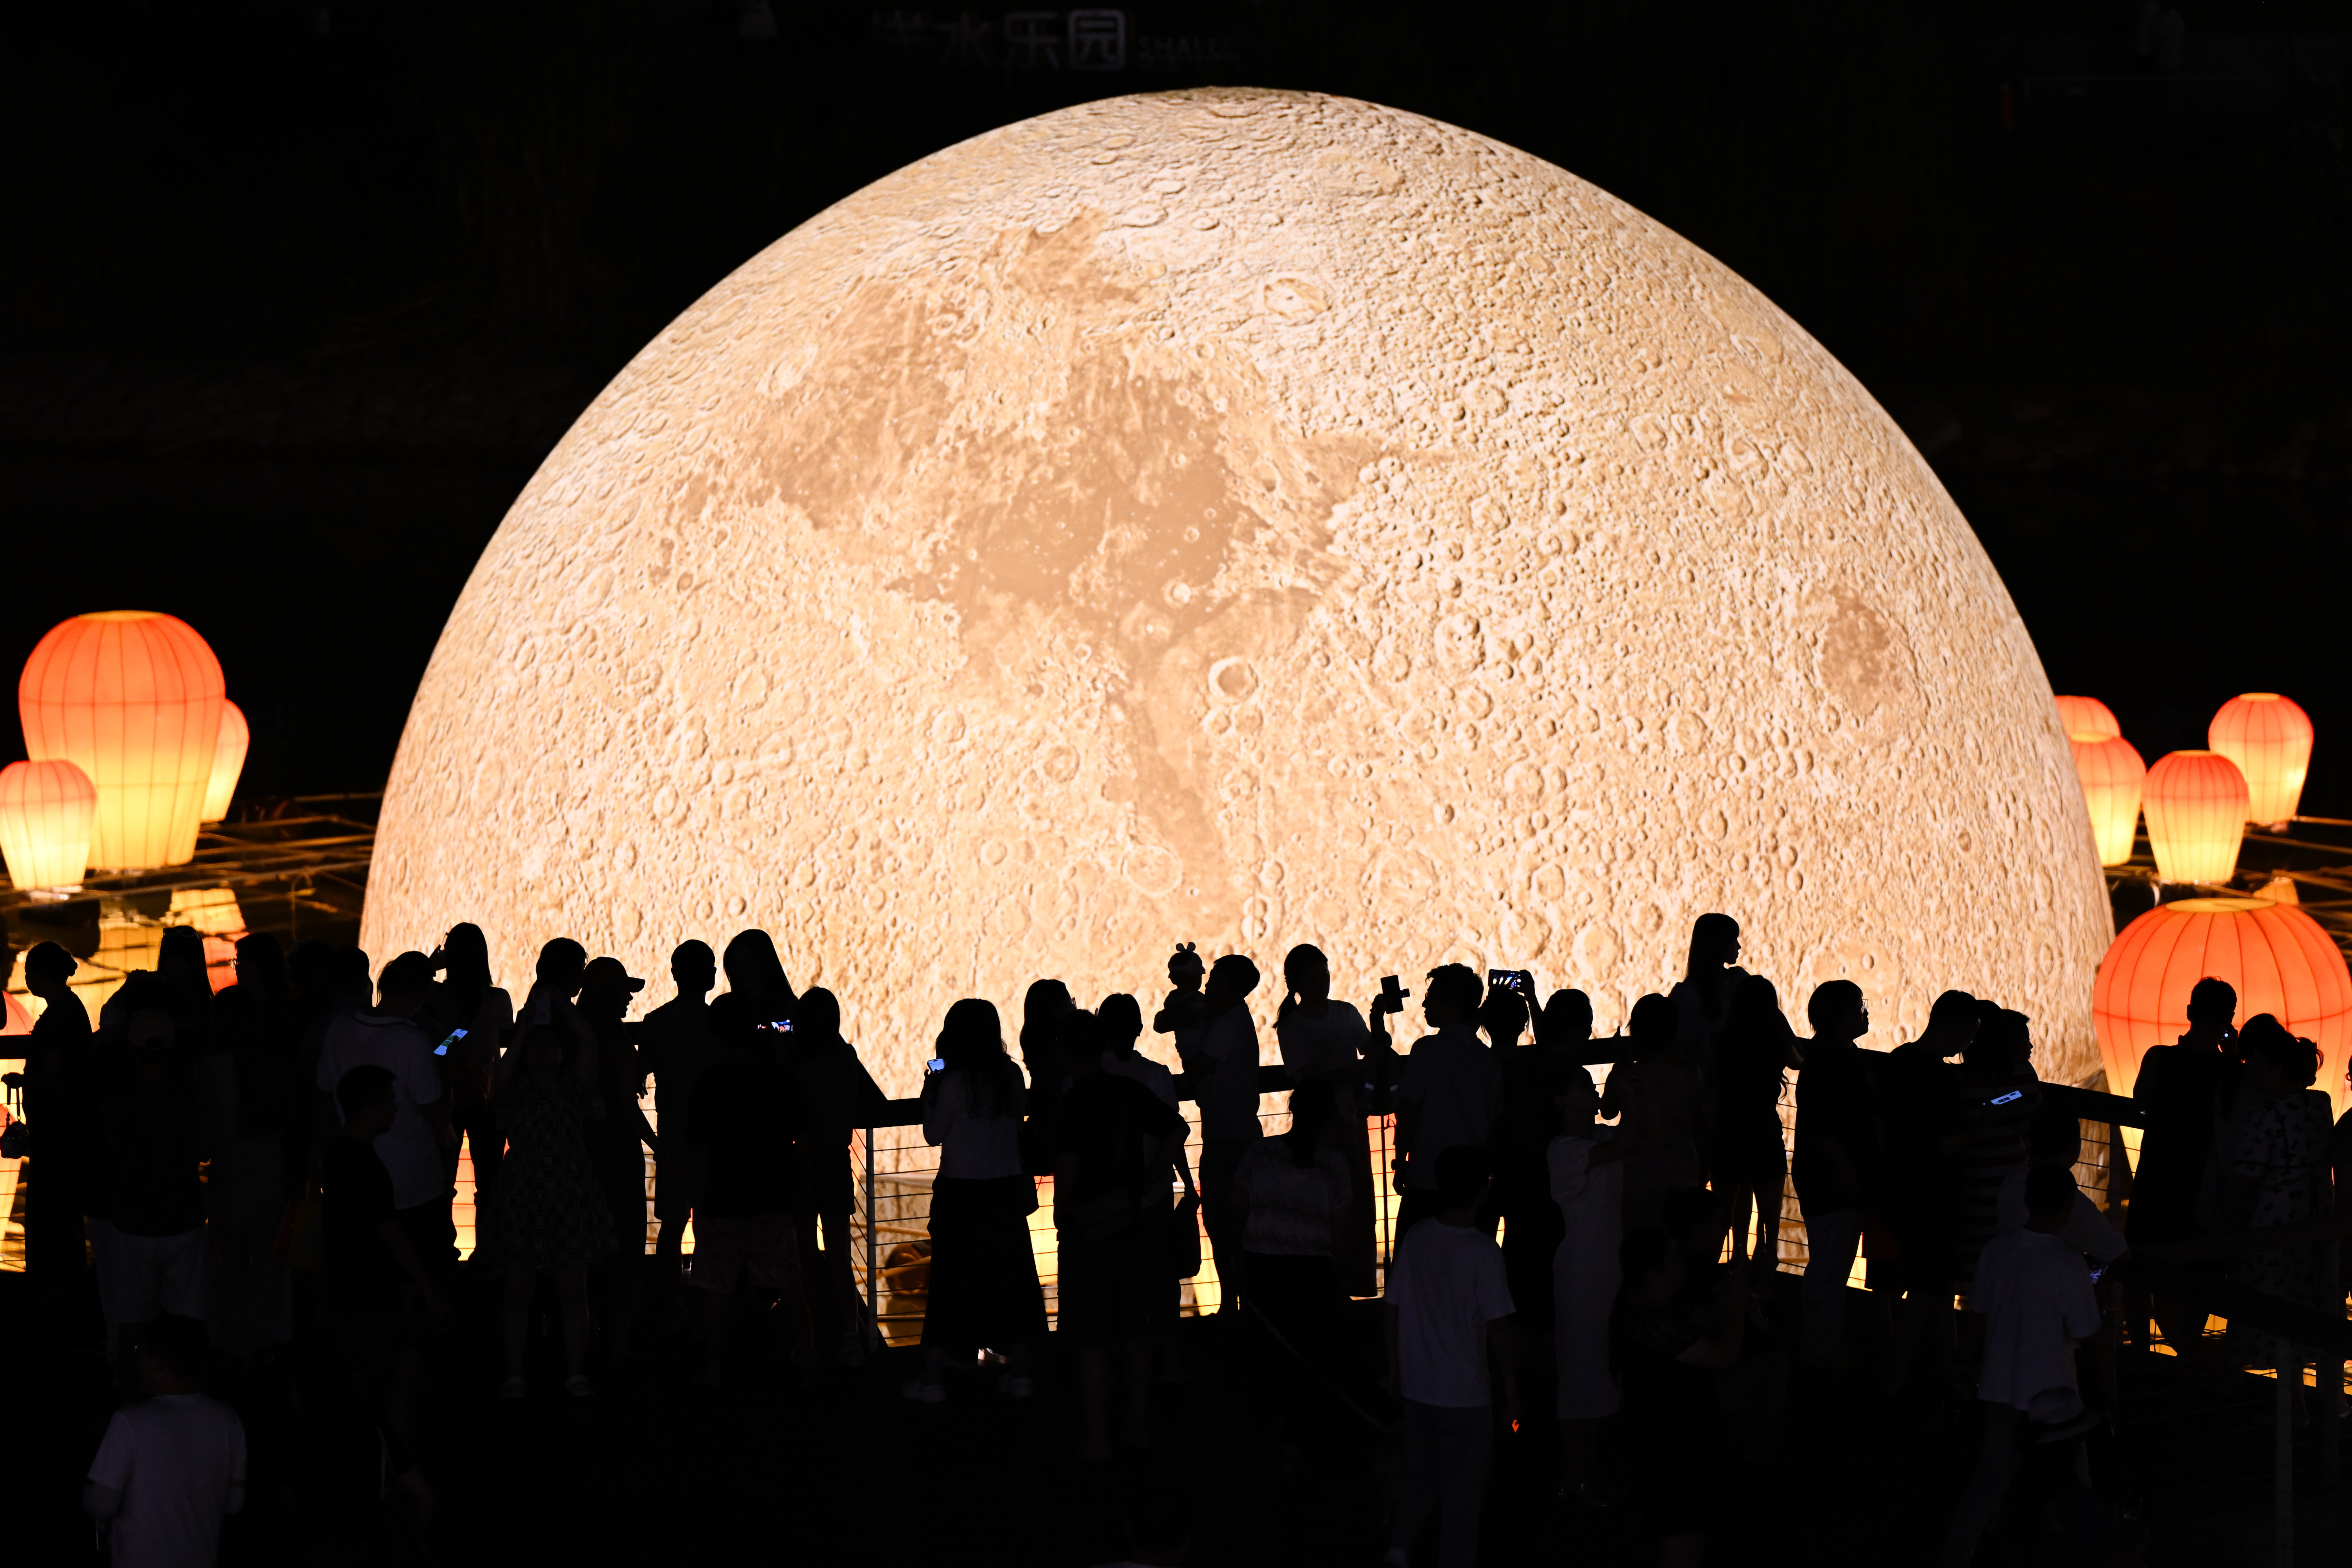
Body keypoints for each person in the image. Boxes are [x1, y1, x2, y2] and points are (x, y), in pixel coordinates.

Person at [1941, 1165, 2101, 1568]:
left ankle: (1955, 1556)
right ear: (2068, 1207)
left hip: (2000, 1386)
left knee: (1987, 1481)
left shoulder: (1996, 1250)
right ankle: (2091, 1552)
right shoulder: (2068, 1264)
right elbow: (2084, 1329)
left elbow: (1976, 1312)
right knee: (2074, 1482)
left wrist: (1962, 1360)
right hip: (2055, 1397)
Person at [1056, 1011, 1190, 1460]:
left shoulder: (1072, 1102)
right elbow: (1178, 1129)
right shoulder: (1131, 1089)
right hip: (1131, 1221)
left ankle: (1098, 1435)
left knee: (1092, 1336)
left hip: (1087, 1229)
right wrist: (1151, 1179)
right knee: (1134, 1327)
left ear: (1067, 1051)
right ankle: (1137, 1425)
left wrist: (1064, 1211)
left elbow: (1070, 1164)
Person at [1382, 1145, 1517, 1568]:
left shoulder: (1418, 1236)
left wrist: (1394, 1368)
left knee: (1421, 1476)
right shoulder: (1482, 1251)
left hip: (1419, 1386)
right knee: (1464, 1497)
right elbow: (1497, 1324)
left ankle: (1399, 1546)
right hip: (1466, 1393)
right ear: (1482, 1191)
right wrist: (1512, 1389)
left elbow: (1393, 1306)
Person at [909, 999, 1044, 1401]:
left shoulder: (952, 1081)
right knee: (1013, 1282)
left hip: (961, 1194)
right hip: (1004, 1191)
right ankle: (1020, 1375)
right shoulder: (1010, 1074)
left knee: (949, 1285)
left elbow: (933, 1133)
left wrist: (929, 1087)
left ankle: (932, 1380)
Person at [685, 981, 812, 1389]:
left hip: (722, 1195)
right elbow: (798, 1129)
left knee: (716, 1285)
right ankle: (809, 1359)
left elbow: (697, 1141)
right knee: (788, 1281)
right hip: (772, 1193)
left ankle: (714, 1367)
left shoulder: (708, 1083)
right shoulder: (779, 1078)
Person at [313, 952, 455, 1307]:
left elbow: (323, 1098)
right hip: (413, 1179)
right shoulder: (416, 1038)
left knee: (371, 1286)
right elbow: (435, 1097)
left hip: (354, 1173)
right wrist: (457, 1028)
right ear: (422, 993)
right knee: (420, 1271)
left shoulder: (340, 1029)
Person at [321, 1065, 448, 1439]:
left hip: (348, 1281)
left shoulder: (338, 1154)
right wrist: (426, 1284)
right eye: (391, 1102)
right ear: (372, 1108)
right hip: (371, 1286)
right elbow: (389, 1231)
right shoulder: (365, 1163)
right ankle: (388, 1449)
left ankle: (369, 1447)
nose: (396, 1109)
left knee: (373, 1369)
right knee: (391, 1367)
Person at [1613, 1224, 1749, 1566]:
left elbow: (1698, 1320)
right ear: (1653, 1272)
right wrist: (1738, 1304)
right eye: (1672, 1258)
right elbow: (1724, 1354)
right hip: (1673, 1454)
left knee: (1678, 1543)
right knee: (1683, 1546)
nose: (1681, 1264)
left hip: (1670, 1447)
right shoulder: (1650, 1325)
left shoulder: (1641, 1307)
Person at [490, 1022, 614, 1397]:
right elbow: (587, 1043)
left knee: (563, 1289)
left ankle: (531, 1372)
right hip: (561, 1190)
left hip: (533, 1191)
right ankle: (562, 1372)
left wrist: (530, 1024)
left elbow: (588, 1043)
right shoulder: (530, 1089)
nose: (543, 1051)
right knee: (532, 1290)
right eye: (535, 1045)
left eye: (550, 1044)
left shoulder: (559, 1087)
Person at [1230, 1079, 1352, 1444]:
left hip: (1261, 1266)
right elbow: (1341, 1227)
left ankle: (1269, 1431)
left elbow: (1237, 1204)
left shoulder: (1259, 1152)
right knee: (1311, 1355)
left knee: (1267, 1354)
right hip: (1312, 1271)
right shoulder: (1334, 1163)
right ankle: (1308, 1436)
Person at [1552, 1055, 1649, 1506]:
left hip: (1604, 1268)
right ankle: (1578, 1473)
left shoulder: (1597, 1137)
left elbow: (1646, 1136)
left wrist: (1629, 1094)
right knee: (1581, 1372)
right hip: (1583, 1272)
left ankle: (1587, 1471)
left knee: (1597, 1370)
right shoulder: (1563, 1149)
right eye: (1582, 1084)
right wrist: (1623, 1098)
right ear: (1561, 1100)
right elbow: (1630, 1139)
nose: (1591, 1090)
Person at [2225, 1015, 2334, 1397]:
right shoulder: (2320, 1104)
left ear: (2273, 1069)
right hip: (2314, 1219)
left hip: (2268, 1222)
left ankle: (2246, 1396)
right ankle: (2312, 1403)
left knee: (2260, 1307)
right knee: (2305, 1310)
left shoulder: (2263, 1114)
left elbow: (2245, 1178)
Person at [1875, 988, 1976, 1395]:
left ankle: (1944, 1373)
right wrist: (1980, 1129)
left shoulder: (1898, 1060)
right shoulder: (1940, 1077)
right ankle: (1896, 1380)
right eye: (1969, 1034)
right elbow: (1948, 1143)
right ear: (1952, 1027)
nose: (1968, 1044)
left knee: (1932, 1289)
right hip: (1934, 1198)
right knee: (1927, 1291)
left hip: (1900, 1191)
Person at [84, 1315, 246, 1568]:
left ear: (159, 1363)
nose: (137, 1360)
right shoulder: (229, 1421)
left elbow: (101, 1504)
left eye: (141, 1351)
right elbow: (234, 1503)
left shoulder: (130, 1422)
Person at [202, 932, 296, 1360]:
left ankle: (232, 1335)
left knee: (232, 1247)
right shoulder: (286, 1016)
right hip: (271, 1142)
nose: (238, 966)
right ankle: (273, 1335)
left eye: (243, 960)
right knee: (270, 1243)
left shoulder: (230, 1025)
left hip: (236, 1148)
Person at [2131, 977, 2236, 1355]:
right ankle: (2186, 1352)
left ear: (2190, 1012)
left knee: (2142, 1268)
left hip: (2156, 1179)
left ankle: (2140, 1352)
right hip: (2203, 1188)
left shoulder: (2159, 1057)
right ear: (2228, 1020)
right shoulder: (2230, 1073)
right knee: (2200, 1276)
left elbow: (2140, 1098)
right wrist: (2233, 1054)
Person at [96, 1007, 207, 1356]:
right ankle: (186, 1390)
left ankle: (130, 1391)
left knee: (131, 1319)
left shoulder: (117, 1098)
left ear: (132, 1048)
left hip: (133, 1216)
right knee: (188, 1319)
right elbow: (203, 1148)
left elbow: (115, 1148)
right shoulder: (189, 1096)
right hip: (183, 1216)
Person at [1272, 943, 1378, 1295]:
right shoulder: (1293, 1026)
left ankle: (1354, 1284)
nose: (1322, 983)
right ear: (1296, 983)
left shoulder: (1343, 1013)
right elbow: (1315, 1079)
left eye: (1325, 975)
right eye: (1314, 977)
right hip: (1323, 1126)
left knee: (1355, 1198)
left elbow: (1370, 1047)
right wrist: (1363, 1066)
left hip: (1348, 1121)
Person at [1101, 992, 1194, 1377]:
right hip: (1153, 1192)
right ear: (1140, 1029)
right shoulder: (1156, 1075)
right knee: (1160, 1280)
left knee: (1113, 1281)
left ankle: (1117, 1362)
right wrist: (1186, 1182)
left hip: (1106, 1196)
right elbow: (1173, 1132)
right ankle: (1167, 1359)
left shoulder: (1091, 1074)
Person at [791, 985, 885, 1363]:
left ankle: (806, 1337)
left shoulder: (799, 1065)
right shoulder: (846, 1057)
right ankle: (850, 1336)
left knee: (803, 1254)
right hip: (835, 1159)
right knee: (838, 1253)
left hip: (803, 1162)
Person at [578, 955, 658, 1369]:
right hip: (619, 1154)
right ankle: (620, 1340)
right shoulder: (615, 1038)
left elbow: (446, 1043)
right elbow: (627, 1106)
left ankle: (584, 1333)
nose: (629, 998)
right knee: (626, 1242)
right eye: (623, 991)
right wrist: (656, 1143)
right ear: (609, 995)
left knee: (585, 1246)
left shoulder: (569, 1032)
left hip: (581, 1151)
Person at [1507, 988, 1590, 1379]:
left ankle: (1523, 1384)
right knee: (1556, 1287)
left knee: (1524, 1285)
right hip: (1557, 1195)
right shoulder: (1570, 1072)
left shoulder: (1526, 1062)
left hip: (1523, 1185)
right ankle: (1554, 1378)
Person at [1793, 980, 1877, 1364]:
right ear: (1838, 1016)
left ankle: (1822, 1341)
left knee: (1830, 1263)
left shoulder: (1834, 1056)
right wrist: (1849, 1173)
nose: (1864, 1012)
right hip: (1832, 1182)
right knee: (1829, 1267)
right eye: (1858, 1007)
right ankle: (1819, 1347)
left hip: (1831, 1178)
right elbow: (1825, 1132)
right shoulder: (1832, 1063)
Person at [640, 939, 723, 1327]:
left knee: (671, 1228)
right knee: (711, 1228)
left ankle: (671, 1305)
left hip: (672, 1137)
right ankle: (711, 1303)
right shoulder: (719, 1023)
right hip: (715, 1140)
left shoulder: (656, 1023)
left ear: (675, 973)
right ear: (710, 975)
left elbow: (638, 1074)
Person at [1393, 963, 1501, 1240]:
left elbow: (1409, 1111)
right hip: (1470, 1183)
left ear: (1451, 1004)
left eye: (1431, 996)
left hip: (1426, 1175)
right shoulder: (1489, 1060)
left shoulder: (1426, 1051)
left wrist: (1401, 1159)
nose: (1424, 1002)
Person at [20, 939, 96, 1326]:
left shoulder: (56, 1018)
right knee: (65, 1218)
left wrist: (29, 1082)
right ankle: (68, 1297)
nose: (25, 977)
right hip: (69, 1133)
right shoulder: (73, 1009)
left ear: (42, 974)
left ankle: (53, 1301)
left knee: (51, 1216)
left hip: (55, 1138)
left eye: (30, 970)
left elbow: (50, 1074)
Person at [1709, 974, 1802, 1282]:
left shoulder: (1721, 1041)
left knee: (1723, 1217)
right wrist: (1779, 1020)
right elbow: (1799, 1061)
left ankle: (1723, 1273)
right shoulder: (1775, 1041)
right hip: (1763, 1133)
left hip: (1726, 1134)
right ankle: (1759, 1292)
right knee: (1770, 1228)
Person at [1185, 954, 1265, 1310]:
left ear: (1233, 989)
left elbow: (1198, 1068)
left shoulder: (1226, 1024)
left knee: (1222, 1221)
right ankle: (1242, 1299)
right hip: (1232, 1135)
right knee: (1232, 1222)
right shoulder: (1234, 1019)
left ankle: (1235, 1300)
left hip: (1228, 1139)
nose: (1207, 988)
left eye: (1215, 982)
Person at [1955, 1007, 2043, 1298]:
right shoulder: (2024, 1076)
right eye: (2025, 1039)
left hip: (1972, 1189)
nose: (2030, 1046)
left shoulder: (1960, 1080)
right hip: (2014, 1189)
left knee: (1972, 1275)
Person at [425, 923, 513, 1201]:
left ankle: (442, 1244)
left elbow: (440, 1050)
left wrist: (431, 965)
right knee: (489, 1183)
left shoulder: (434, 995)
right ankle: (488, 1243)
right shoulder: (498, 999)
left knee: (441, 1183)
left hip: (445, 1097)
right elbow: (506, 1035)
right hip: (487, 1098)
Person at [1612, 993, 1703, 1230]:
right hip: (1684, 1168)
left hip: (1641, 1174)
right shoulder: (1691, 1072)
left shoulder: (1631, 1074)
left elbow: (1608, 1110)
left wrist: (1619, 1065)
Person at [1668, 912, 1749, 1087]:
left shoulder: (1685, 994)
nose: (1739, 947)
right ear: (1719, 944)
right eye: (1734, 939)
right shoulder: (1740, 982)